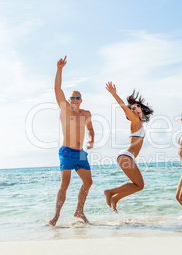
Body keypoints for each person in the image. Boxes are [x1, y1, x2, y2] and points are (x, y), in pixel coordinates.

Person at [49, 56, 94, 226]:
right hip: (67, 152)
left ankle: (79, 210)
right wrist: (59, 69)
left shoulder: (86, 114)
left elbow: (90, 129)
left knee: (88, 182)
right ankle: (56, 215)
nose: (75, 100)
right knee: (65, 183)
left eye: (78, 98)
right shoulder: (65, 110)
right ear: (69, 100)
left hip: (81, 153)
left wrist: (91, 139)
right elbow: (57, 88)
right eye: (72, 98)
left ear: (81, 100)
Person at [104, 81, 154, 213]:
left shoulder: (139, 124)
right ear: (129, 114)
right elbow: (124, 108)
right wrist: (115, 94)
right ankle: (110, 193)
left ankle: (115, 198)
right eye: (133, 109)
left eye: (138, 107)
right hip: (126, 156)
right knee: (139, 185)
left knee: (138, 186)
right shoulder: (135, 121)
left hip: (126, 157)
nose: (136, 109)